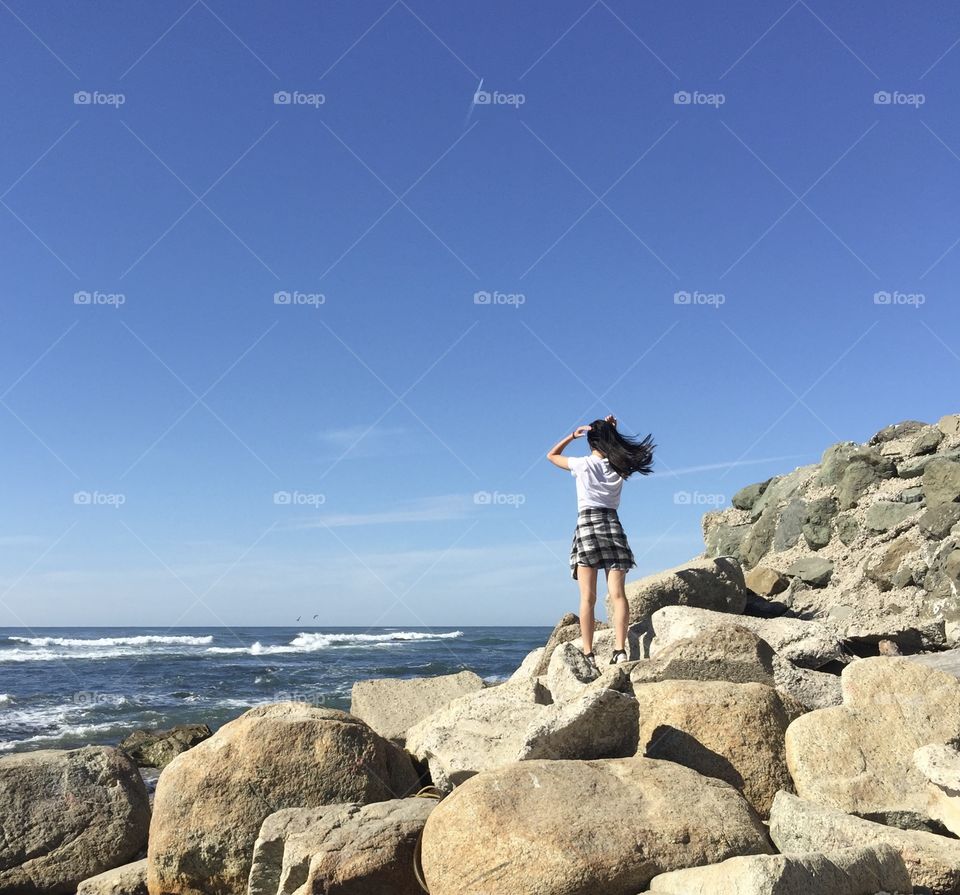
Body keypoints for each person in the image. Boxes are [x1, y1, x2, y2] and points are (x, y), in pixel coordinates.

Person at [546, 415, 655, 668]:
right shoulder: (619, 466)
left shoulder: (583, 464)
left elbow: (551, 455)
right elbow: (612, 448)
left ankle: (588, 653)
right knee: (618, 595)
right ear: (609, 440)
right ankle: (620, 650)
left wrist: (573, 436)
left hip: (587, 526)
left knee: (587, 597)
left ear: (590, 441)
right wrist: (612, 432)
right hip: (612, 525)